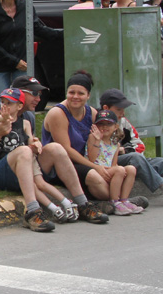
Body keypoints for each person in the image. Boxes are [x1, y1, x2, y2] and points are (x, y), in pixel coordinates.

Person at [0, 88, 84, 231]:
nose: (37, 98)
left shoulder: (27, 119)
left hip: (22, 166)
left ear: (19, 105)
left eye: (9, 103)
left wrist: (36, 144)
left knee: (55, 148)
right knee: (24, 153)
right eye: (2, 102)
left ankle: (82, 203)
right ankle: (33, 211)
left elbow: (29, 143)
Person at [41, 70, 123, 209]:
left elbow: (103, 140)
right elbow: (66, 149)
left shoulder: (92, 113)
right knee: (95, 177)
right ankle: (113, 203)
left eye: (80, 93)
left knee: (125, 169)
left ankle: (118, 202)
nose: (75, 97)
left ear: (88, 95)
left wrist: (115, 150)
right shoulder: (58, 113)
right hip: (62, 165)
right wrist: (96, 167)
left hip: (87, 160)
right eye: (71, 92)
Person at [0, 0, 62, 98]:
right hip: (0, 65)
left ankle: (24, 119)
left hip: (22, 64)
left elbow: (38, 29)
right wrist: (15, 62)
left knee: (23, 101)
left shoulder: (26, 7)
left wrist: (63, 33)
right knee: (2, 102)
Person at [98, 87, 163, 203]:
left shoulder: (124, 122)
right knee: (135, 157)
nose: (123, 113)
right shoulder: (98, 124)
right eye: (119, 109)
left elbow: (139, 145)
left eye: (123, 109)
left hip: (131, 158)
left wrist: (125, 150)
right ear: (106, 108)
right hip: (110, 162)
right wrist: (116, 150)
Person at [90, 110, 140, 215]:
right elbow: (92, 159)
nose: (104, 127)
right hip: (97, 170)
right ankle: (114, 202)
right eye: (101, 124)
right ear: (95, 126)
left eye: (109, 124)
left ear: (116, 126)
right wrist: (97, 141)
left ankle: (124, 200)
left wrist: (118, 170)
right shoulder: (93, 138)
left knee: (131, 169)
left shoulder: (115, 144)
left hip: (109, 171)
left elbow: (114, 164)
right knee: (119, 170)